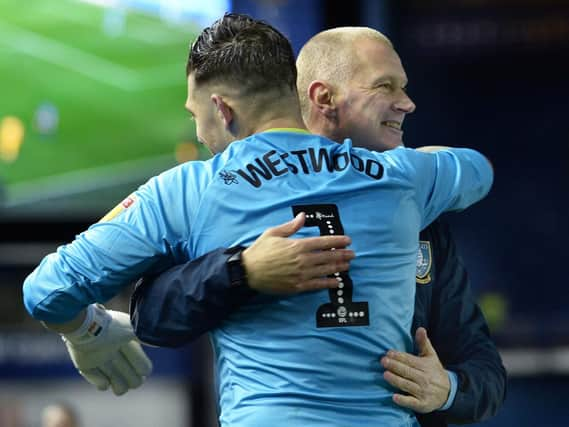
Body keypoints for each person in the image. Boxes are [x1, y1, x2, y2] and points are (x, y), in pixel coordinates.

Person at [22, 13, 493, 427]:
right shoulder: (402, 178)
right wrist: (411, 166)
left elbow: (46, 291)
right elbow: (477, 171)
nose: (199, 132)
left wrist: (87, 332)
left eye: (195, 116)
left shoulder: (190, 190)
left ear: (223, 111)